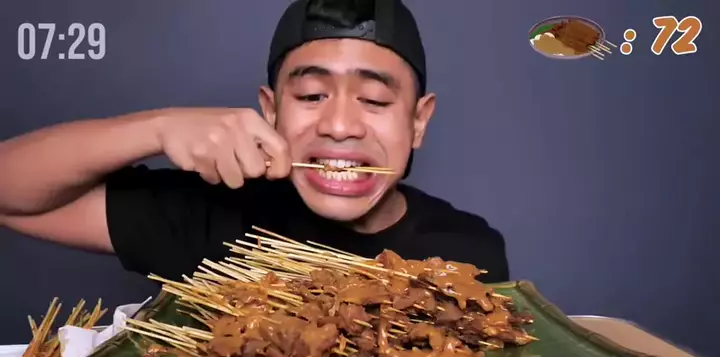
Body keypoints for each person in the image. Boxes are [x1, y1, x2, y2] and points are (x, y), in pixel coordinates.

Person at [0, 0, 510, 283]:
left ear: (418, 121)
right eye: (310, 95)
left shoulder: (467, 251)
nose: (339, 126)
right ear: (271, 110)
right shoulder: (209, 213)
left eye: (375, 100)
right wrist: (156, 127)